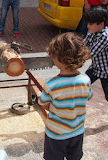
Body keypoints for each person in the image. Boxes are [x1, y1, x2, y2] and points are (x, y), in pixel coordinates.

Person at [39, 32, 92, 160]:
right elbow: (88, 98)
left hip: (56, 134)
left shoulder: (51, 84)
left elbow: (44, 105)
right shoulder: (85, 80)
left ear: (58, 58)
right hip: (77, 131)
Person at [84, 7, 108, 110]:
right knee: (83, 83)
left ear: (101, 24)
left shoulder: (105, 37)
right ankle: (81, 100)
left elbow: (89, 54)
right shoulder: (92, 32)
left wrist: (71, 60)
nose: (88, 26)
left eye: (90, 24)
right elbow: (83, 45)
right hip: (96, 67)